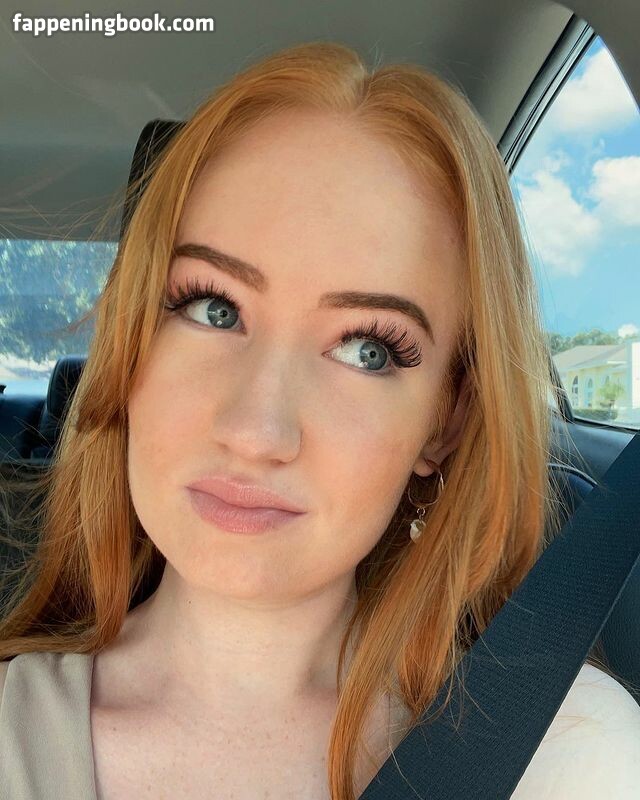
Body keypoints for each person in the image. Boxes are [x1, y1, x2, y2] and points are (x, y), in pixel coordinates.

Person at [1, 41, 637, 800]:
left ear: (444, 422)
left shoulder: (566, 753)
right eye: (212, 307)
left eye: (369, 350)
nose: (256, 432)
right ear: (131, 344)